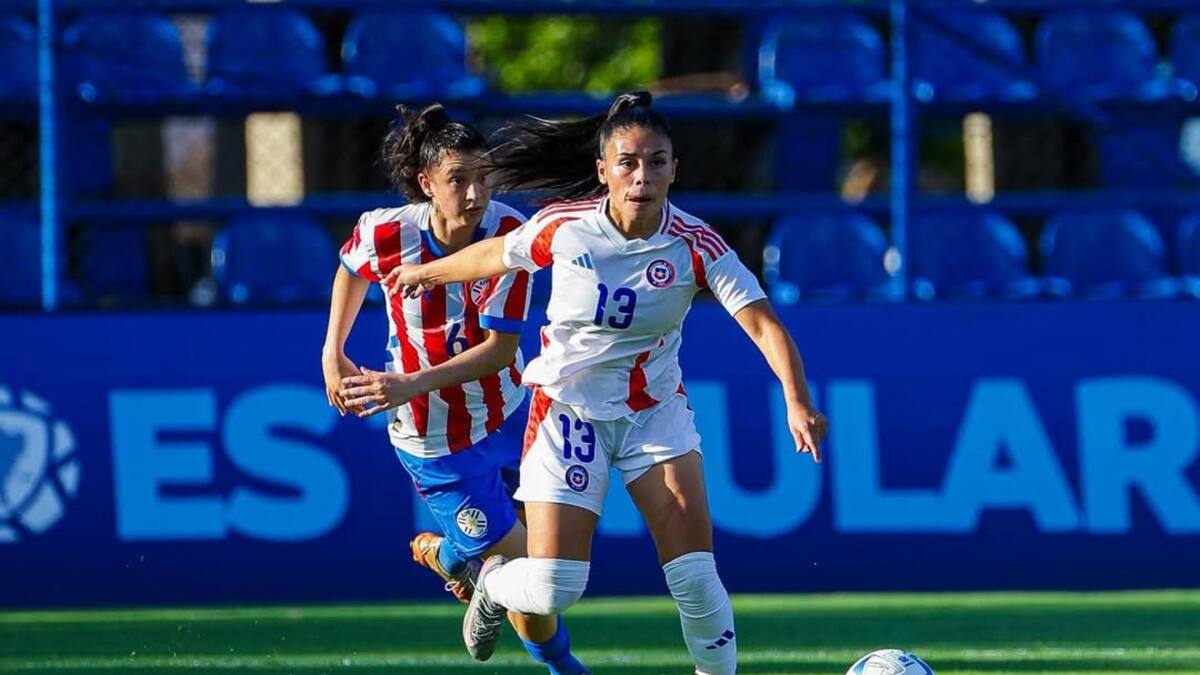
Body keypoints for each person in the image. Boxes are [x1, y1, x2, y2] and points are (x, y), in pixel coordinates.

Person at [384, 91, 828, 675]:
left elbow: (764, 325)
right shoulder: (566, 228)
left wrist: (796, 401)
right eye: (629, 162)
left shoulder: (698, 245)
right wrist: (424, 271)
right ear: (603, 171)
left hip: (654, 413)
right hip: (568, 413)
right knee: (554, 588)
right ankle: (493, 582)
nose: (643, 176)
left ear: (675, 169)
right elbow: (497, 255)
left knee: (695, 576)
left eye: (658, 162)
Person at [321, 103, 587, 674]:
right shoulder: (388, 231)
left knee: (553, 563)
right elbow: (351, 267)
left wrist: (409, 382)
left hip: (514, 416)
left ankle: (454, 556)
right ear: (426, 185)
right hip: (434, 443)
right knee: (535, 573)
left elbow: (500, 351)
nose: (474, 194)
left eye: (482, 177)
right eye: (458, 180)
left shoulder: (510, 234)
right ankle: (564, 666)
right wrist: (332, 350)